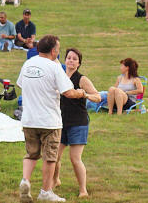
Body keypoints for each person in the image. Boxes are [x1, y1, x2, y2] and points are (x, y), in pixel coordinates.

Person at [17, 35, 87, 203]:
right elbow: (69, 92)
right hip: (49, 121)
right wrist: (82, 93)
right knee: (50, 157)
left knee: (31, 154)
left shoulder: (28, 64)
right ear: (53, 50)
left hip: (28, 119)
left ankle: (25, 180)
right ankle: (46, 191)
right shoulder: (54, 67)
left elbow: (21, 84)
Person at [53, 48, 101, 198]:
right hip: (60, 122)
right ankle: (55, 180)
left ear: (79, 63)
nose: (71, 61)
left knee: (75, 159)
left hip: (78, 123)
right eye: (69, 58)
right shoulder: (60, 76)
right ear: (65, 60)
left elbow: (98, 97)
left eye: (74, 59)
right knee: (54, 156)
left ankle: (83, 190)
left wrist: (84, 94)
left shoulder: (82, 79)